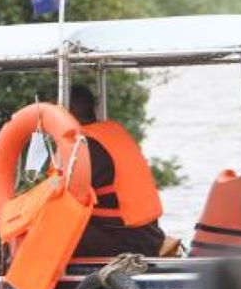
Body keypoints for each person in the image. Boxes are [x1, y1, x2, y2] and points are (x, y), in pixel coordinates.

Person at [67, 83, 168, 257]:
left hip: (128, 242)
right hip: (151, 235)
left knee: (53, 228)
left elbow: (68, 195)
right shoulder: (111, 133)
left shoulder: (85, 146)